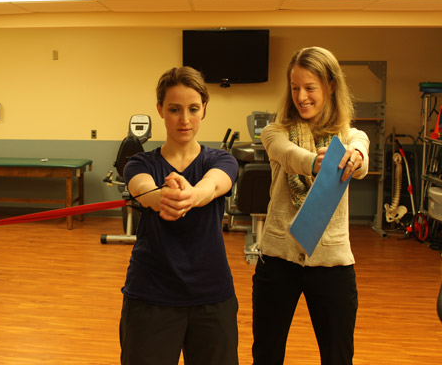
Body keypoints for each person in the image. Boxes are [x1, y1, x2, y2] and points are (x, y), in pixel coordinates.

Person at [252, 46, 370, 365]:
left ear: (330, 86)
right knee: (267, 353)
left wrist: (355, 157)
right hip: (278, 260)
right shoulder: (275, 132)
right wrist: (316, 163)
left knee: (338, 355)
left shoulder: (350, 137)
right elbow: (288, 155)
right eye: (294, 88)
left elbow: (360, 155)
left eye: (310, 88)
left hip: (332, 264)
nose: (301, 96)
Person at [119, 66, 240, 365]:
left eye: (193, 109)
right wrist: (162, 197)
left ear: (204, 111)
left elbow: (214, 184)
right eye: (175, 109)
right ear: (160, 110)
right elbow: (143, 190)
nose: (184, 120)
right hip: (150, 296)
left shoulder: (221, 160)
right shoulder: (139, 163)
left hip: (212, 297)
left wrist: (192, 195)